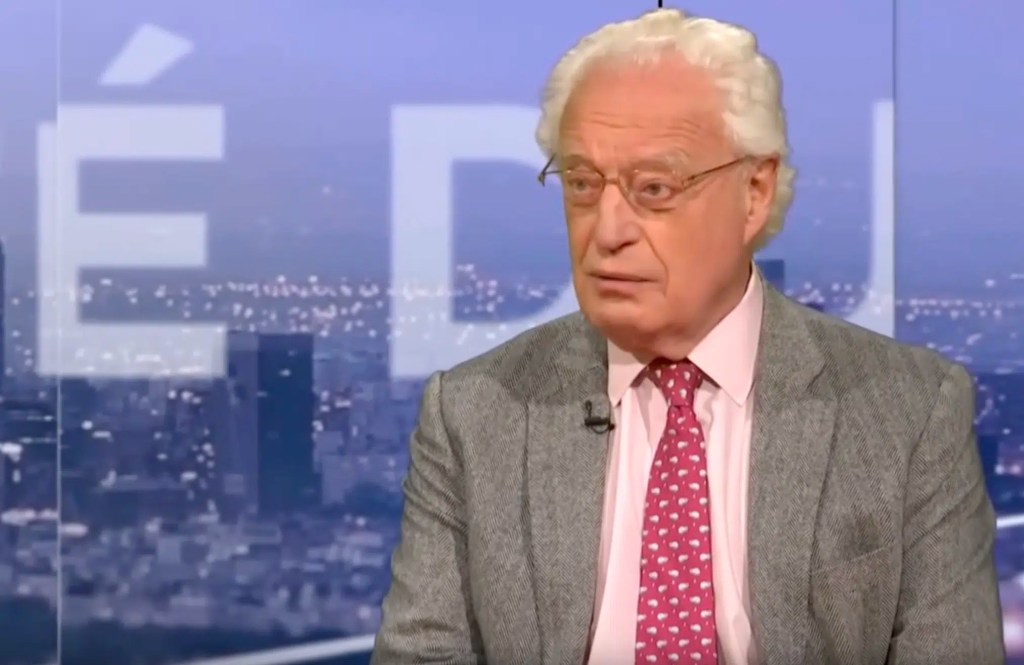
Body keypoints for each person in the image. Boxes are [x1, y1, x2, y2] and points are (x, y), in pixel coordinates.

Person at [372, 8, 1003, 665]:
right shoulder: (473, 413)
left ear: (754, 192)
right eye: (582, 184)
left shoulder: (909, 412)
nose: (607, 230)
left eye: (654, 188)